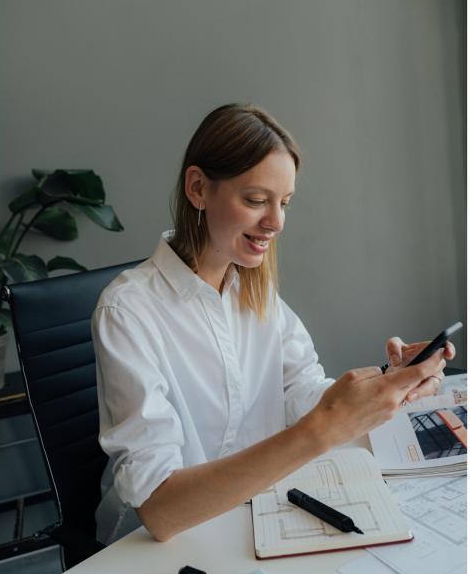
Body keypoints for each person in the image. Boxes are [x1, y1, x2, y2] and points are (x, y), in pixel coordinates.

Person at [91, 103, 454, 546]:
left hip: (253, 516)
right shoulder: (127, 312)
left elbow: (301, 392)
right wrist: (319, 431)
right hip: (150, 549)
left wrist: (385, 381)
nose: (276, 222)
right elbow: (161, 512)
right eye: (257, 200)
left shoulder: (255, 294)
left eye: (284, 203)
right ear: (198, 188)